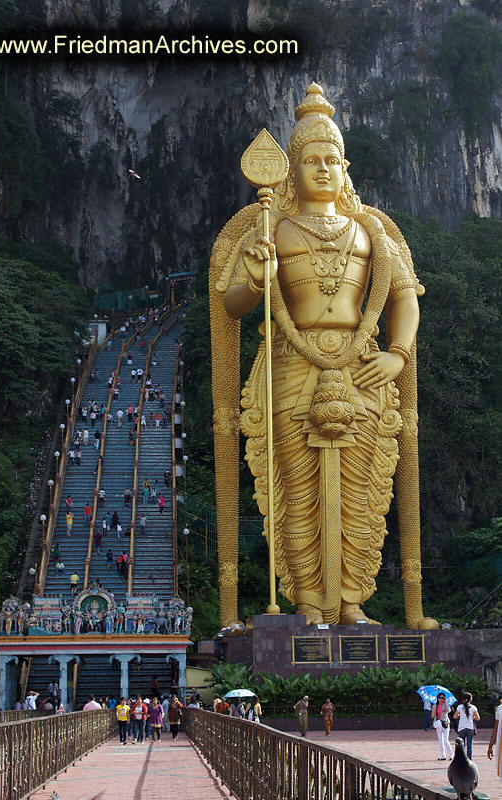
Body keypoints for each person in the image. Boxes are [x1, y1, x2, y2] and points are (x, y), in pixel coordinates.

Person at [211, 82, 437, 630]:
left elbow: (404, 297)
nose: (320, 169)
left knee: (361, 491)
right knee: (299, 487)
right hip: (292, 363)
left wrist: (399, 355)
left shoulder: (373, 231)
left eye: (330, 159)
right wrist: (259, 276)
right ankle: (309, 602)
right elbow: (231, 300)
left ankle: (354, 602)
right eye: (308, 159)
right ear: (290, 169)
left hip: (362, 368)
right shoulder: (271, 228)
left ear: (345, 166)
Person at [453, 692, 480, 759]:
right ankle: (469, 760)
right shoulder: (473, 708)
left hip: (461, 728)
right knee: (469, 746)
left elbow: (455, 716)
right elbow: (478, 718)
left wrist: (460, 715)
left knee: (462, 746)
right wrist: (472, 717)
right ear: (470, 699)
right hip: (470, 728)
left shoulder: (459, 707)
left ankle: (462, 760)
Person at [431, 692, 452, 760]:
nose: (441, 699)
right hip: (438, 723)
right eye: (439, 697)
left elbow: (449, 711)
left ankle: (451, 755)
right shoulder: (435, 706)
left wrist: (446, 703)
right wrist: (434, 712)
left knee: (446, 740)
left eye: (442, 697)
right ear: (437, 698)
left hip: (445, 723)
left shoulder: (445, 705)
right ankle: (443, 755)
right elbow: (432, 716)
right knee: (440, 740)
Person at [487, 694, 502, 785]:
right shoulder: (499, 709)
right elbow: (496, 730)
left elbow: (495, 730)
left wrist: (490, 746)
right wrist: (490, 746)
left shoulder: (499, 709)